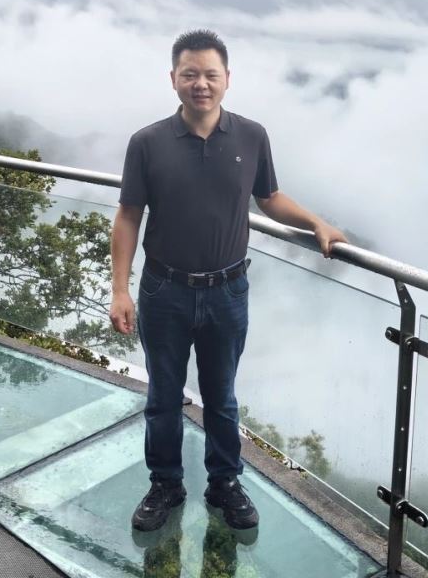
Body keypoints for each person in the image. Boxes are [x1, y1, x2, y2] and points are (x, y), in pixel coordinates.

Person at [110, 29, 347, 533]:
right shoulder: (147, 142)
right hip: (164, 289)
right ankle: (165, 484)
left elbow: (270, 198)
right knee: (163, 397)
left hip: (228, 291)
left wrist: (316, 223)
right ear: (173, 79)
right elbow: (128, 215)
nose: (201, 84)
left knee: (222, 397)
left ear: (227, 79)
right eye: (190, 74)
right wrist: (120, 289)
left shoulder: (251, 136)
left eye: (210, 75)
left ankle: (225, 484)